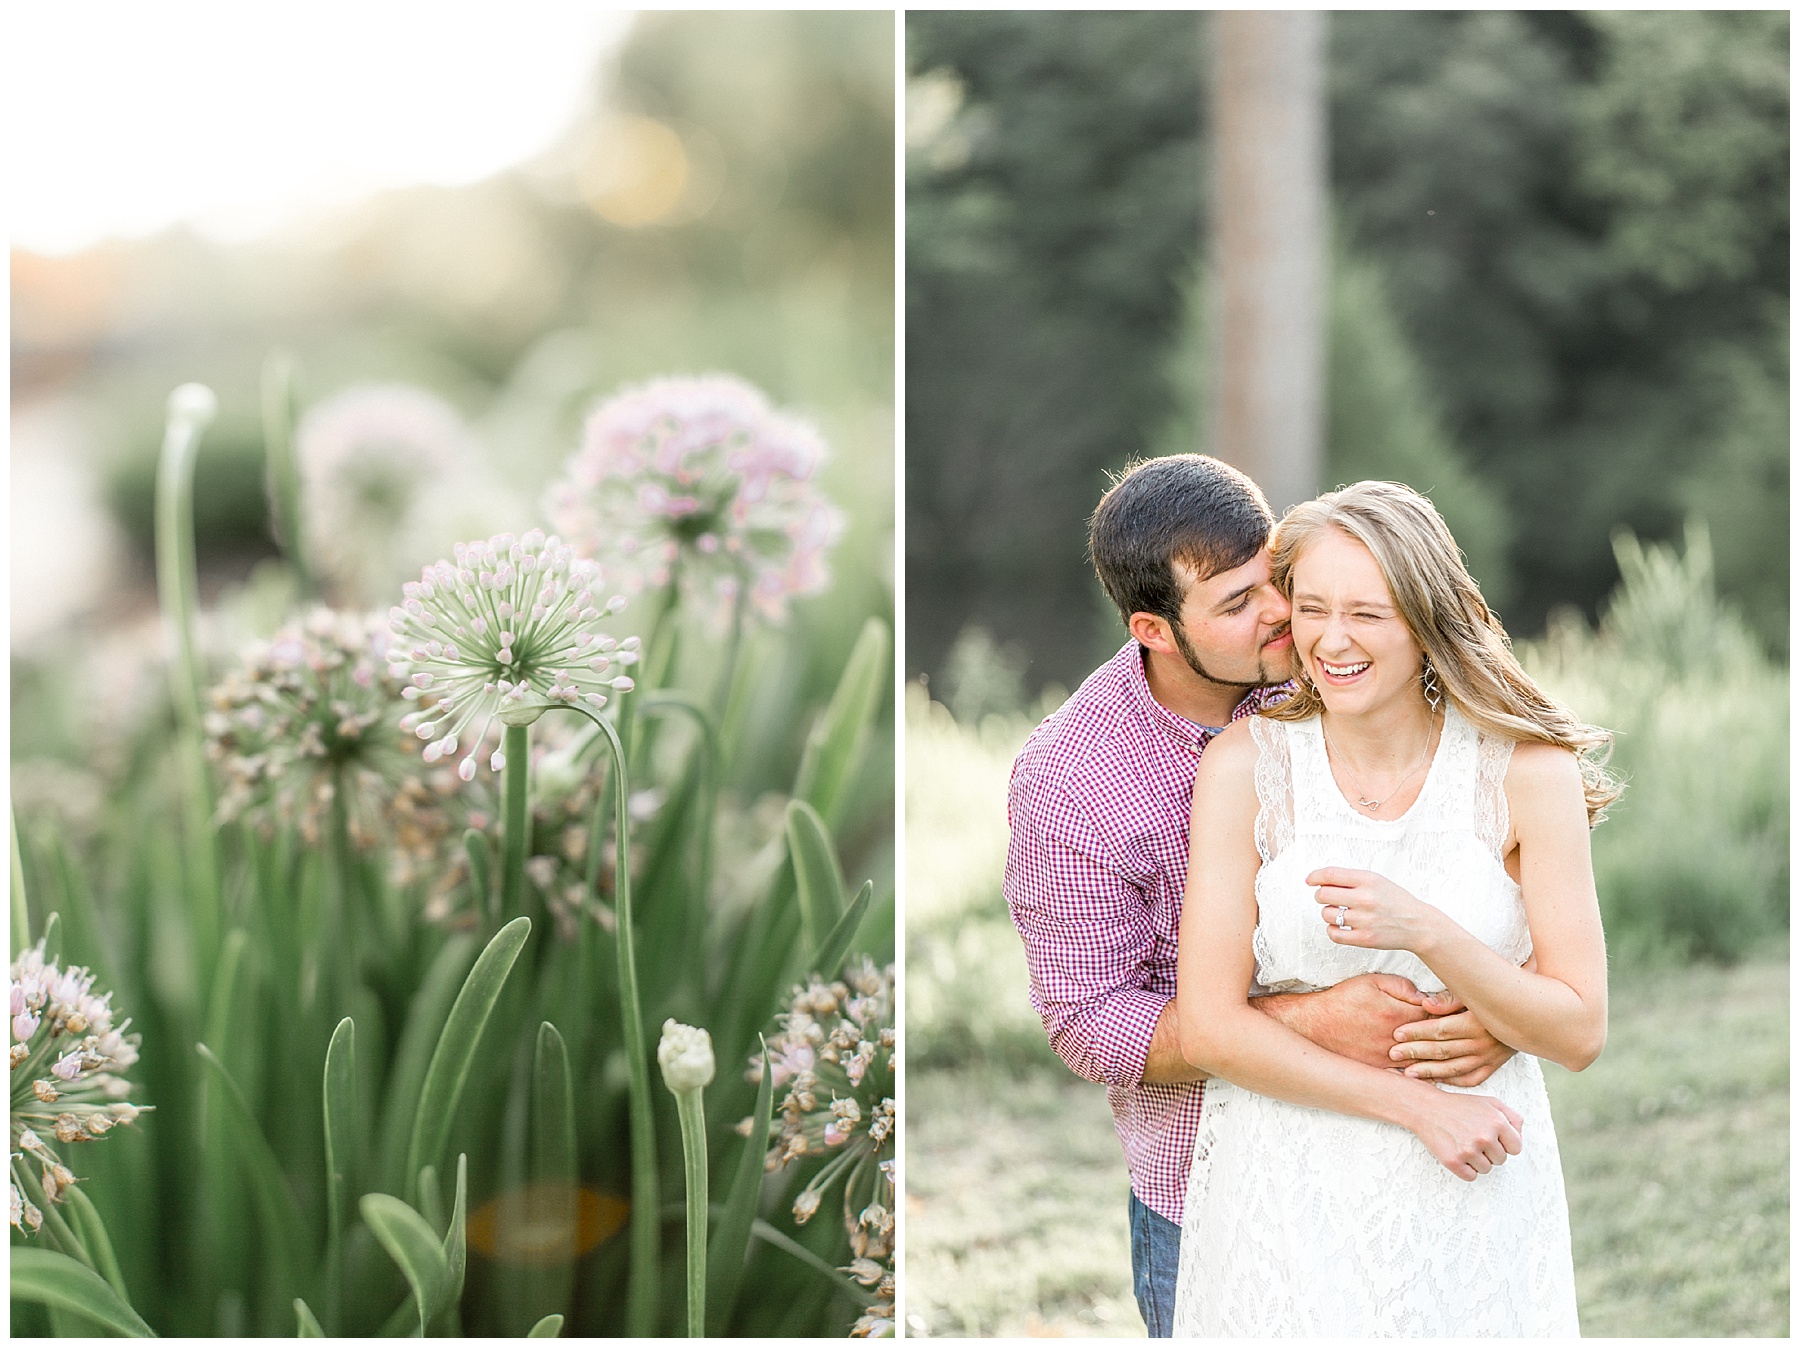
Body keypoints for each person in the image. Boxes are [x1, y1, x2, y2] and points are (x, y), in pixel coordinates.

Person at [1004, 456, 1520, 1337]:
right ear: (1154, 629)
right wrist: (1306, 1019)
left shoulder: (1334, 661)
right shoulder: (1072, 781)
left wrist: (1503, 1007)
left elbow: (1504, 846)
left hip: (1427, 1159)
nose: (1284, 613)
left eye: (1273, 577)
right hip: (1210, 1183)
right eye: (1237, 603)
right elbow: (1088, 1022)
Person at [1172, 479, 1615, 1336]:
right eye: (1311, 608)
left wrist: (1428, 932)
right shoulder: (1244, 767)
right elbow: (1209, 1027)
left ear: (1426, 618)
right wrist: (1419, 1105)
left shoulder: (1527, 773)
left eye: (1368, 615)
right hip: (1286, 1184)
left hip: (1471, 1185)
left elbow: (1580, 1029)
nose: (1332, 641)